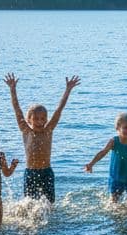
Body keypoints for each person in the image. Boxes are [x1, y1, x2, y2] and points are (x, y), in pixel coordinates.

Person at [5, 73, 79, 204]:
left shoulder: (48, 130)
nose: (40, 121)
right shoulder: (26, 130)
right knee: (29, 204)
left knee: (49, 204)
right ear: (29, 120)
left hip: (47, 172)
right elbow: (17, 110)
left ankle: (49, 223)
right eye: (36, 119)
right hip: (31, 172)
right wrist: (12, 89)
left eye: (43, 118)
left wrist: (67, 90)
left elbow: (59, 110)